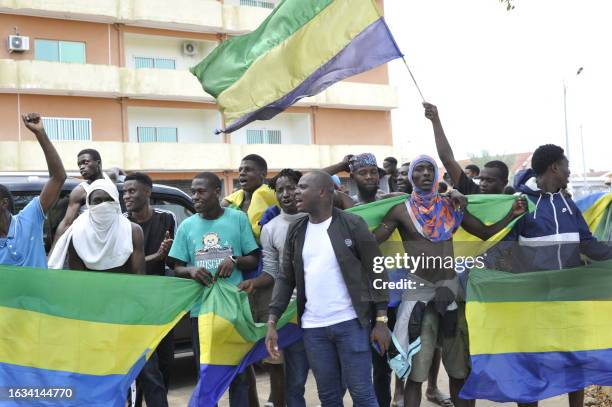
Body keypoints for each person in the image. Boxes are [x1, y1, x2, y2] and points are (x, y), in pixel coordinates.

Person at [373, 155, 526, 407]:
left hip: (450, 293)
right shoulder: (401, 210)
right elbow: (373, 242)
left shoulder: (450, 205)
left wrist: (512, 214)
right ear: (411, 176)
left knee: (459, 370)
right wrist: (347, 238)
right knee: (416, 373)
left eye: (430, 169)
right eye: (419, 170)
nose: (425, 174)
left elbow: (484, 232)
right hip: (419, 294)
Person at [494, 144, 612, 407]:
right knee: (530, 369)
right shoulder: (521, 203)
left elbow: (588, 244)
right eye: (567, 166)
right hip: (533, 304)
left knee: (576, 363)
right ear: (555, 167)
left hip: (569, 302)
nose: (570, 172)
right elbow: (504, 250)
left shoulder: (568, 203)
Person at [266, 170, 391, 407]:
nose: (294, 192)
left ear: (322, 191)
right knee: (329, 397)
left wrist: (381, 320)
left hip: (351, 324)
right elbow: (285, 278)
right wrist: (272, 321)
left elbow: (377, 270)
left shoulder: (352, 223)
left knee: (362, 395)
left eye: (302, 187)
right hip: (314, 330)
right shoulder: (297, 230)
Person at [167, 172, 260, 407]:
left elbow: (254, 258)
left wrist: (235, 260)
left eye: (201, 191)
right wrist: (191, 271)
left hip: (233, 309)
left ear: (217, 192)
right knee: (207, 374)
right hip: (202, 311)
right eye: (193, 191)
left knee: (238, 373)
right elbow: (176, 265)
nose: (194, 196)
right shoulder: (187, 226)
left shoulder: (237, 219)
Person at [238, 169, 309, 407]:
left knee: (333, 374)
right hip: (291, 313)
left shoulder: (321, 219)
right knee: (296, 380)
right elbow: (271, 272)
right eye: (280, 190)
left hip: (325, 310)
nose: (286, 194)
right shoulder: (270, 229)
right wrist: (253, 283)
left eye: (291, 187)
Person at [222, 154, 278, 407]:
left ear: (264, 174)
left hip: (266, 273)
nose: (243, 174)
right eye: (240, 170)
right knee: (244, 348)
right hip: (240, 274)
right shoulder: (235, 201)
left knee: (272, 347)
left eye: (249, 170)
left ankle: (278, 400)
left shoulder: (269, 196)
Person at [123, 172, 176, 407]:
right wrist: (158, 255)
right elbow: (128, 267)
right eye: (124, 192)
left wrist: (168, 255)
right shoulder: (122, 223)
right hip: (133, 304)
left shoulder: (166, 218)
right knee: (143, 366)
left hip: (160, 302)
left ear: (148, 192)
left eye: (132, 191)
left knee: (165, 362)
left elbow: (172, 260)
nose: (127, 196)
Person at [0, 113, 66, 267]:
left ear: (3, 203)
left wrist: (40, 133)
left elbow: (58, 177)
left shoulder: (28, 219)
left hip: (39, 292)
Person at [48, 178, 145, 275]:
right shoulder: (77, 233)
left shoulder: (133, 231)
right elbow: (78, 278)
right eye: (97, 201)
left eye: (109, 200)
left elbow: (139, 274)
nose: (103, 205)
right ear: (89, 204)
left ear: (116, 202)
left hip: (125, 287)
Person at [425, 103, 509, 195]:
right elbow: (447, 159)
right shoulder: (471, 190)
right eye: (481, 179)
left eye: (489, 180)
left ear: (504, 183)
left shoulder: (516, 205)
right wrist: (435, 120)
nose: (483, 184)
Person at [53, 147, 106, 244]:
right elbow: (66, 223)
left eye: (85, 162)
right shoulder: (80, 191)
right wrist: (54, 252)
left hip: (112, 242)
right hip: (90, 244)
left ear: (98, 163)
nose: (81, 167)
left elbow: (114, 172)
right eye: (79, 165)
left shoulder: (108, 183)